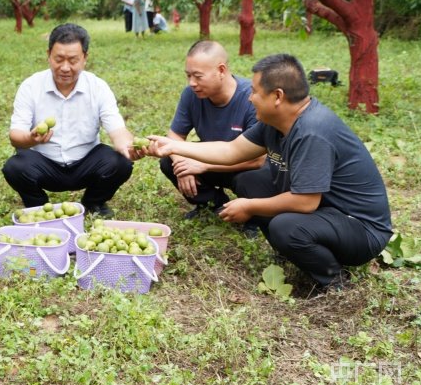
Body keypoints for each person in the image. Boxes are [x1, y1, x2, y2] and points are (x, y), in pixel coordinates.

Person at [148, 54, 392, 291]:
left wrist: (250, 207)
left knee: (286, 227)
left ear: (277, 96)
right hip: (325, 212)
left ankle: (334, 280)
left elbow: (305, 202)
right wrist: (174, 146)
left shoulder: (311, 132)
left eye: (254, 92)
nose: (250, 98)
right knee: (252, 182)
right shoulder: (273, 123)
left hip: (361, 228)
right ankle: (292, 251)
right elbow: (232, 151)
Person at [2, 23, 140, 218]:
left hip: (86, 164)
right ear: (48, 55)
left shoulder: (98, 87)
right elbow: (15, 136)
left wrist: (128, 147)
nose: (65, 67)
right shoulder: (31, 86)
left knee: (120, 163)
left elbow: (117, 129)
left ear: (85, 58)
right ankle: (38, 207)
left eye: (73, 60)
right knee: (15, 167)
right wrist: (32, 138)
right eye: (59, 59)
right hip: (45, 164)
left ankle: (93, 202)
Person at [161, 40, 264, 222]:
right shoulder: (190, 95)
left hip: (243, 165)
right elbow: (175, 136)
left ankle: (254, 219)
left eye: (198, 76)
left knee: (252, 179)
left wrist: (204, 166)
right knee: (169, 160)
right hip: (211, 157)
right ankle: (212, 205)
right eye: (188, 76)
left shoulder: (252, 98)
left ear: (221, 70)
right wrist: (183, 165)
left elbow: (259, 159)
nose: (192, 83)